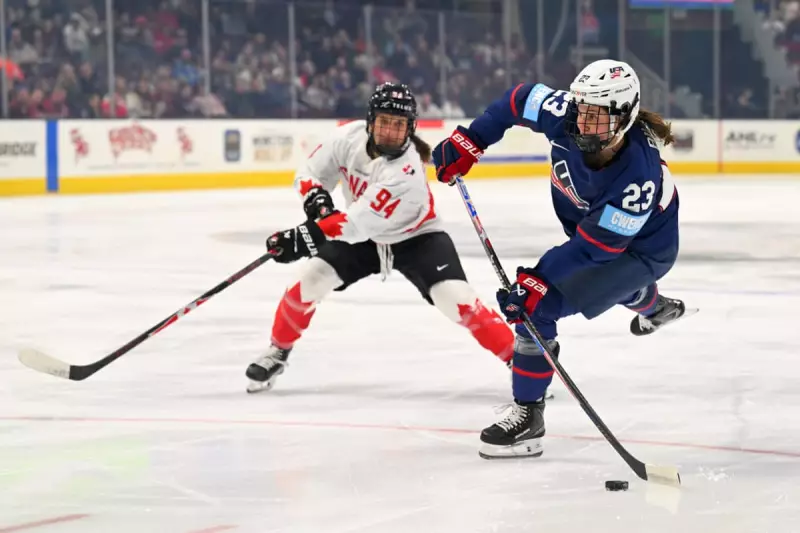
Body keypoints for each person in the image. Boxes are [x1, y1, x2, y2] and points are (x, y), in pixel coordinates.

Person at [432, 59, 695, 459]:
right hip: (594, 232)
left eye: (597, 117)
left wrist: (537, 281)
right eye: (582, 110)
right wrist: (472, 139)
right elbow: (518, 99)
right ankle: (654, 307)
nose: (584, 124)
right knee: (612, 291)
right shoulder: (567, 113)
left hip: (642, 250)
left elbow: (597, 250)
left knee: (538, 309)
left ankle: (528, 417)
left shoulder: (637, 178)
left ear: (623, 118)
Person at [245, 82, 515, 393]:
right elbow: (309, 174)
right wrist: (318, 203)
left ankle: (521, 362)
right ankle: (278, 351)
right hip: (361, 239)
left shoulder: (407, 172)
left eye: (398, 125)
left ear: (410, 129)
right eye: (384, 122)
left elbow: (356, 225)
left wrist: (304, 237)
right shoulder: (347, 138)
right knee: (305, 283)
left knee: (456, 300)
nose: (389, 132)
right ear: (370, 122)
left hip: (418, 238)